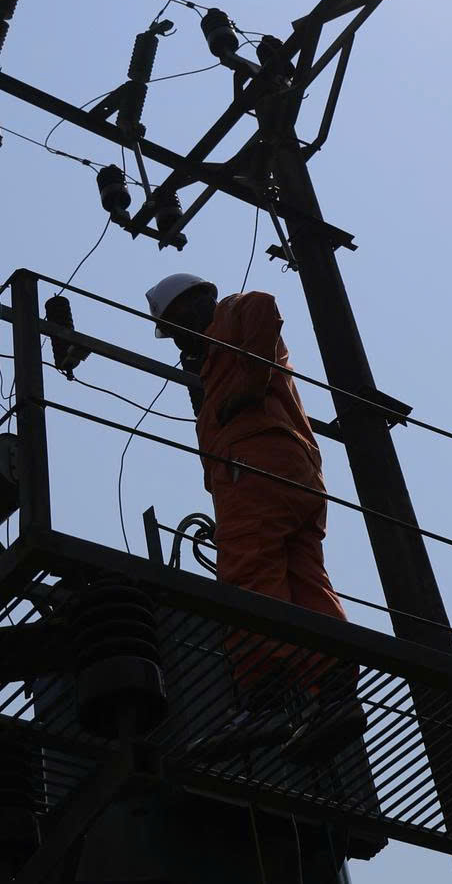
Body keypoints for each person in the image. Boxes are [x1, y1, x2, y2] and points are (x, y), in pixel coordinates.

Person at [147, 272, 359, 750]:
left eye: (176, 327)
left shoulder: (234, 314)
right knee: (305, 581)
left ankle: (265, 698)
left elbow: (264, 304)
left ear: (193, 304)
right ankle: (335, 692)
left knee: (247, 574)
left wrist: (246, 385)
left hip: (255, 471)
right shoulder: (213, 366)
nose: (179, 341)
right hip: (294, 475)